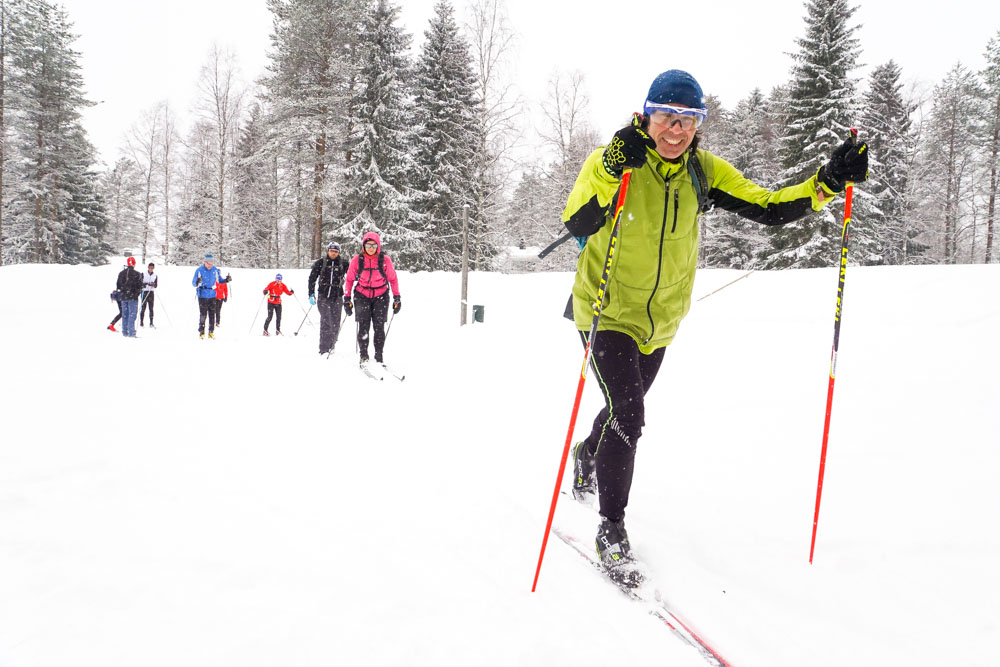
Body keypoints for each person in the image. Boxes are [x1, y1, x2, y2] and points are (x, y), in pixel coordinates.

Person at [563, 69, 869, 584]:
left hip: (660, 322)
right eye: (666, 116)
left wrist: (828, 183)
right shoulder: (614, 161)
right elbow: (579, 222)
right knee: (631, 412)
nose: (676, 130)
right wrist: (613, 168)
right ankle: (610, 527)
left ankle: (587, 453)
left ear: (699, 124)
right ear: (646, 116)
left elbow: (768, 207)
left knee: (622, 408)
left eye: (689, 119)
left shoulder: (702, 172)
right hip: (605, 309)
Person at [343, 232, 400, 365]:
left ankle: (379, 355)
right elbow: (350, 280)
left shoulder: (385, 260)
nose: (370, 248)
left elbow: (393, 279)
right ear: (363, 245)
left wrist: (397, 297)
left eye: (373, 245)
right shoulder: (357, 260)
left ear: (378, 246)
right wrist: (347, 298)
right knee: (363, 326)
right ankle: (364, 355)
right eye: (368, 245)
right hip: (362, 295)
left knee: (379, 327)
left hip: (381, 295)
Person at [308, 241, 348, 355]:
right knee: (326, 321)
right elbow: (312, 279)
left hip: (337, 296)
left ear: (339, 252)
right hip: (323, 296)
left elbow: (352, 276)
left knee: (336, 322)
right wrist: (311, 294)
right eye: (331, 251)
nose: (333, 253)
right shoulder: (321, 263)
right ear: (328, 251)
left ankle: (332, 346)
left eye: (336, 251)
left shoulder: (343, 263)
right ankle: (324, 349)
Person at [191, 254, 231, 339]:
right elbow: (193, 283)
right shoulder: (199, 270)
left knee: (212, 314)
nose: (210, 265)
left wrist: (226, 280)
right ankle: (201, 332)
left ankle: (211, 332)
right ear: (204, 262)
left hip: (212, 294)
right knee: (203, 314)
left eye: (211, 263)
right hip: (202, 295)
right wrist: (197, 281)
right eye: (208, 264)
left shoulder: (215, 269)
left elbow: (219, 280)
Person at [116, 256, 144, 338]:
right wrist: (137, 293)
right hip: (133, 297)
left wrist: (122, 292)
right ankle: (131, 332)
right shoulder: (137, 274)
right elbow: (140, 286)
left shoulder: (121, 273)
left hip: (123, 297)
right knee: (132, 315)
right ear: (134, 264)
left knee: (125, 314)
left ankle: (125, 332)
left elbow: (118, 285)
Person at [140, 262, 158, 327]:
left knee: (151, 308)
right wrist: (146, 284)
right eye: (150, 268)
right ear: (148, 267)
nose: (151, 269)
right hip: (144, 292)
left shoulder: (155, 275)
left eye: (152, 268)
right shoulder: (143, 274)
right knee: (143, 308)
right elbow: (140, 283)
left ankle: (151, 322)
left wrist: (153, 284)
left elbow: (156, 285)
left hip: (151, 292)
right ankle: (141, 322)